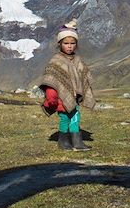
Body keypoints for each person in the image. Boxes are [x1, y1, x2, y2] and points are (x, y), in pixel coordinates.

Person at [39, 19, 96, 151]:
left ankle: (77, 142)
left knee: (75, 116)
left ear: (76, 44)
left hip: (73, 98)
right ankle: (63, 141)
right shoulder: (56, 61)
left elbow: (83, 76)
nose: (69, 46)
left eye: (72, 43)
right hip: (60, 99)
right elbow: (51, 80)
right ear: (60, 44)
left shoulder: (77, 60)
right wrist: (51, 98)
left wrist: (85, 91)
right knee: (65, 119)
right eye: (66, 43)